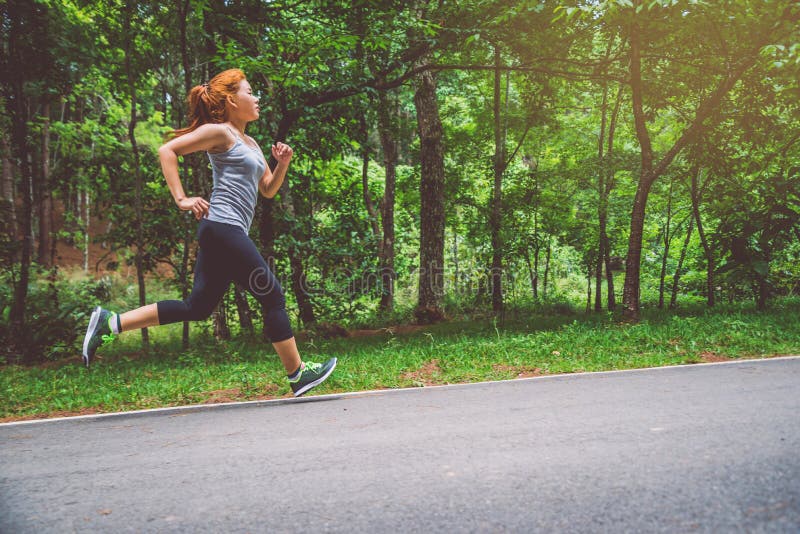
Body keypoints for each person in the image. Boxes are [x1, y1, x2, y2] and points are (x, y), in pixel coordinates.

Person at [81, 68, 336, 397]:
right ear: (232, 100)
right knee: (272, 294)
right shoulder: (221, 132)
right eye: (249, 91)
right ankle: (297, 373)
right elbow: (167, 151)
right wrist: (182, 198)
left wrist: (282, 163)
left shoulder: (252, 142)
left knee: (197, 308)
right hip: (223, 226)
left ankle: (110, 322)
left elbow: (268, 190)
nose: (256, 98)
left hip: (224, 231)